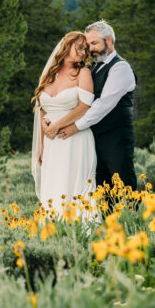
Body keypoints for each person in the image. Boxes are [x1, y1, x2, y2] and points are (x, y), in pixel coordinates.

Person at [54, 20, 137, 202]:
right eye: (88, 45)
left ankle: (134, 226)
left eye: (94, 43)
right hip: (94, 139)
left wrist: (75, 126)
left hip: (116, 140)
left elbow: (103, 105)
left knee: (124, 187)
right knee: (102, 191)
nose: (90, 49)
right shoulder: (94, 67)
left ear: (108, 41)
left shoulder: (120, 68)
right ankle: (109, 227)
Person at [31, 30, 97, 218]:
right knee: (54, 184)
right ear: (66, 46)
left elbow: (85, 107)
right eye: (79, 47)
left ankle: (81, 233)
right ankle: (55, 230)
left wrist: (56, 126)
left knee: (73, 186)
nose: (83, 52)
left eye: (86, 49)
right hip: (51, 142)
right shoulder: (49, 74)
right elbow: (42, 109)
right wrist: (41, 146)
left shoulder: (82, 73)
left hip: (74, 137)